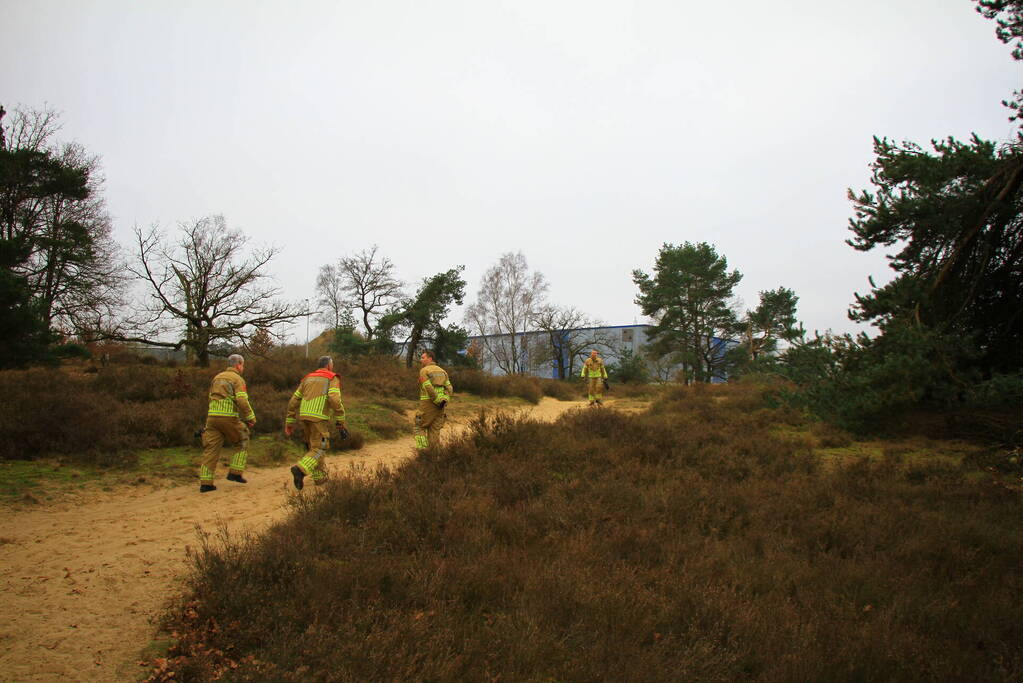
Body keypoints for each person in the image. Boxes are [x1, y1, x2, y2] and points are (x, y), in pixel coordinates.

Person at [286, 355, 348, 490]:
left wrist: (289, 421)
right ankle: (300, 469)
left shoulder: (307, 378)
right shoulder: (332, 377)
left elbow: (293, 401)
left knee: (313, 447)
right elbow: (334, 399)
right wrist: (340, 418)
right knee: (321, 447)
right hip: (319, 419)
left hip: (304, 417)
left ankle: (320, 478)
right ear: (329, 366)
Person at [199, 354, 256, 493]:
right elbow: (242, 400)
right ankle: (235, 473)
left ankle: (206, 484)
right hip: (228, 416)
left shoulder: (217, 377)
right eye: (243, 365)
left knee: (210, 450)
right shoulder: (238, 379)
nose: (243, 368)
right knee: (242, 439)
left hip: (212, 417)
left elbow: (210, 397)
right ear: (238, 365)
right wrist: (250, 417)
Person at [414, 350, 452, 450]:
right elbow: (450, 388)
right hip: (441, 407)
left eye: (423, 357)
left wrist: (437, 400)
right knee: (434, 430)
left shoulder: (424, 371)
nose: (420, 360)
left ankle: (422, 452)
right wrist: (444, 400)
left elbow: (428, 387)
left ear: (430, 359)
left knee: (419, 427)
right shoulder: (443, 371)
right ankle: (433, 455)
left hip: (428, 404)